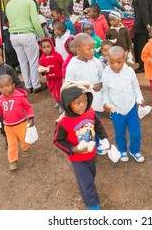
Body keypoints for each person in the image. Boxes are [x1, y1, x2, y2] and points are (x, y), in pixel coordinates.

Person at [53, 81, 110, 210]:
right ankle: (92, 204)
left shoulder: (89, 111)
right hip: (77, 158)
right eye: (77, 103)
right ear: (68, 104)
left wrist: (104, 138)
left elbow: (98, 124)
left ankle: (88, 190)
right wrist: (73, 149)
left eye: (85, 100)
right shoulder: (63, 122)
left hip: (91, 153)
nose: (83, 105)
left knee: (91, 175)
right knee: (86, 182)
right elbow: (58, 140)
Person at [102, 46, 145, 163]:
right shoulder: (106, 74)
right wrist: (106, 103)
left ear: (125, 60)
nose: (115, 65)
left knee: (135, 132)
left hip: (131, 109)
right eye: (112, 62)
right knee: (120, 132)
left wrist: (139, 98)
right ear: (108, 61)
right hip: (116, 110)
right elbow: (105, 91)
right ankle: (122, 150)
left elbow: (135, 87)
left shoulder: (129, 72)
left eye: (119, 62)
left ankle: (134, 150)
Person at [64, 33, 105, 155]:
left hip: (95, 102)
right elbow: (68, 85)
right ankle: (86, 146)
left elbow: (104, 76)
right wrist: (80, 87)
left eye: (93, 47)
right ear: (78, 49)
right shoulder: (72, 66)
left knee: (96, 123)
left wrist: (101, 84)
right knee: (85, 127)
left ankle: (97, 144)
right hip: (82, 105)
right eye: (89, 49)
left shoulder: (96, 62)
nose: (93, 51)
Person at [6, 0, 46, 94]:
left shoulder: (9, 4)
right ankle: (36, 85)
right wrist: (42, 36)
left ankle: (28, 85)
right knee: (33, 61)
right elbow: (35, 21)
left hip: (13, 36)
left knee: (22, 62)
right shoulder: (29, 2)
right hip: (27, 34)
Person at [0, 74, 34, 171]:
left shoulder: (20, 97)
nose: (5, 89)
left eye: (7, 86)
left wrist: (31, 118)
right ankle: (13, 161)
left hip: (21, 123)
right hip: (8, 126)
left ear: (13, 85)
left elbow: (28, 107)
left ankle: (25, 148)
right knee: (11, 144)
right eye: (2, 87)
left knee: (23, 137)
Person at [38, 37, 64, 112]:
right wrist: (43, 73)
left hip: (58, 77)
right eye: (44, 47)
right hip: (49, 78)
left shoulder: (57, 55)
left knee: (58, 90)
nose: (46, 49)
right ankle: (57, 100)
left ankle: (60, 104)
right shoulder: (42, 58)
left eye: (48, 47)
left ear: (52, 46)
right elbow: (41, 69)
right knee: (52, 90)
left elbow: (62, 64)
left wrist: (63, 73)